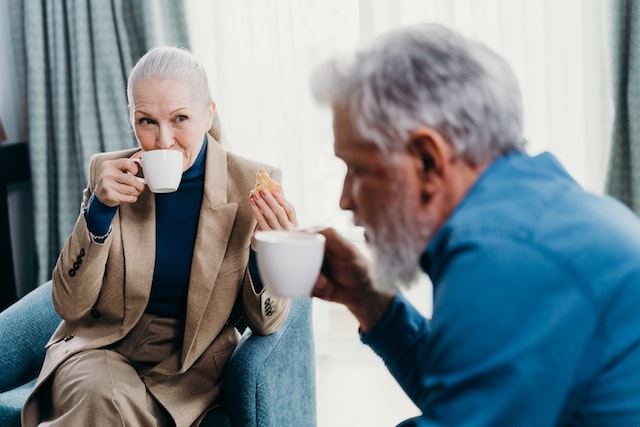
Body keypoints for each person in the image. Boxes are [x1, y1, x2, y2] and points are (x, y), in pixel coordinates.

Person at [309, 23, 640, 426]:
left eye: (358, 170)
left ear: (428, 160)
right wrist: (367, 297)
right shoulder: (530, 210)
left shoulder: (507, 251)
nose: (345, 200)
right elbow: (464, 389)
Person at [21, 46, 298, 426]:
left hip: (190, 366)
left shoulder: (250, 185)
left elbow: (267, 323)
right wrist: (98, 213)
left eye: (180, 118)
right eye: (146, 121)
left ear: (209, 114)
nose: (163, 140)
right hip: (102, 348)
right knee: (105, 399)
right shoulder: (108, 174)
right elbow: (69, 305)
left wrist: (267, 255)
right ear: (131, 119)